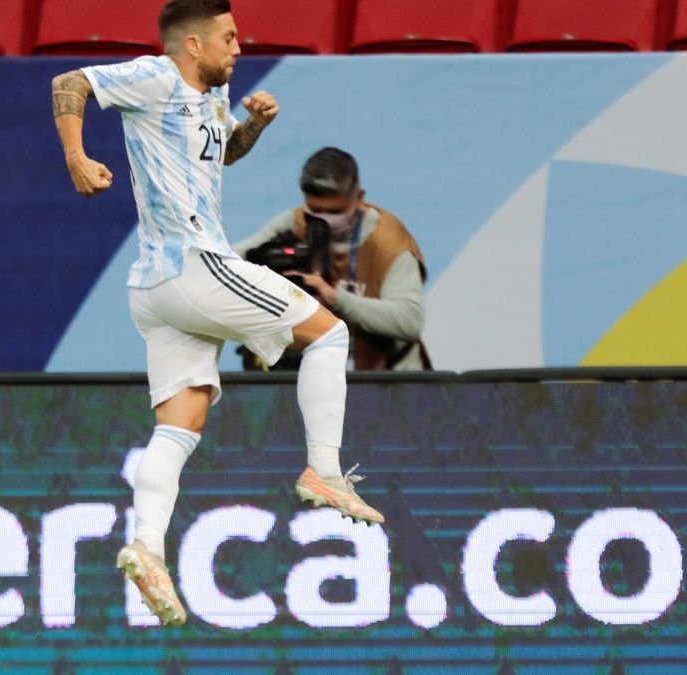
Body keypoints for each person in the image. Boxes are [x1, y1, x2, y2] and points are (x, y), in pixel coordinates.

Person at [49, 0, 383, 627]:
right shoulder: (155, 74)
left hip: (156, 291)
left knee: (182, 422)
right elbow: (70, 84)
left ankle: (145, 544)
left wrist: (251, 127)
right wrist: (75, 155)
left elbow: (220, 154)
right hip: (193, 263)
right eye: (229, 37)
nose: (239, 47)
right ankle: (326, 471)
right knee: (329, 333)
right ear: (193, 44)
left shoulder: (206, 100)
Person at [234, 147, 430, 370]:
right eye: (315, 210)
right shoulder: (296, 222)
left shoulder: (390, 243)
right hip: (317, 368)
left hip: (390, 380)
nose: (324, 220)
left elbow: (410, 321)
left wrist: (335, 299)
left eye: (335, 212)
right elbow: (230, 260)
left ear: (359, 197)